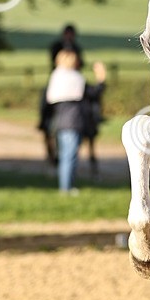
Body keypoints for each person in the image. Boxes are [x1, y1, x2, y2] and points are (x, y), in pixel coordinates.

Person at [44, 51, 106, 194]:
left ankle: (64, 186)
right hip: (73, 121)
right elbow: (94, 93)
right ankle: (67, 188)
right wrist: (101, 77)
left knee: (64, 156)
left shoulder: (55, 77)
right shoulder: (75, 78)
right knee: (70, 157)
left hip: (59, 122)